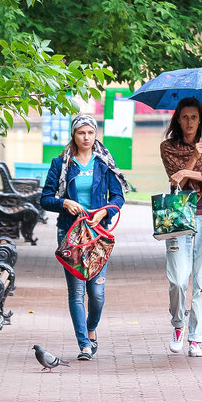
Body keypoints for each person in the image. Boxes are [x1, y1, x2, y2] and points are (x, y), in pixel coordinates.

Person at [40, 113, 128, 360]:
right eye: (81, 132)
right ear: (74, 135)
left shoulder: (104, 162)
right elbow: (45, 199)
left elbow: (118, 197)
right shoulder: (61, 164)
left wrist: (104, 212)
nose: (86, 137)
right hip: (71, 234)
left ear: (95, 134)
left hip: (98, 234)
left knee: (97, 294)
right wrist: (64, 202)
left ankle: (91, 329)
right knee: (77, 292)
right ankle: (84, 345)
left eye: (90, 132)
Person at [160, 97, 202, 358]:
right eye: (185, 117)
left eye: (194, 117)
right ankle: (178, 325)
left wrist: (196, 172)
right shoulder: (167, 147)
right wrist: (193, 162)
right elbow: (176, 180)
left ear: (201, 120)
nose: (189, 122)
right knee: (177, 279)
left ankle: (196, 338)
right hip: (179, 217)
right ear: (177, 119)